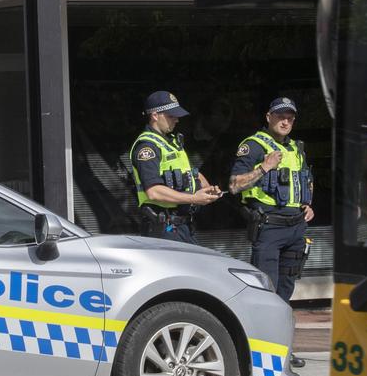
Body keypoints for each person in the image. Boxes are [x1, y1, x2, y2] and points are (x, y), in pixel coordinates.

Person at [230, 96, 315, 301]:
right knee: (265, 290)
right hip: (269, 227)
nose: (285, 122)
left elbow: (303, 180)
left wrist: (306, 204)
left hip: (296, 227)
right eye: (280, 117)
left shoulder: (296, 148)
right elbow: (234, 185)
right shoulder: (254, 145)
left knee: (286, 289)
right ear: (269, 117)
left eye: (290, 118)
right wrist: (264, 168)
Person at [129, 91, 222, 243]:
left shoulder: (171, 143)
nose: (177, 120)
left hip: (182, 226)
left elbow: (189, 173)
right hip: (163, 228)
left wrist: (206, 189)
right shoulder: (147, 147)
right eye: (171, 116)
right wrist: (194, 198)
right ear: (154, 116)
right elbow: (153, 191)